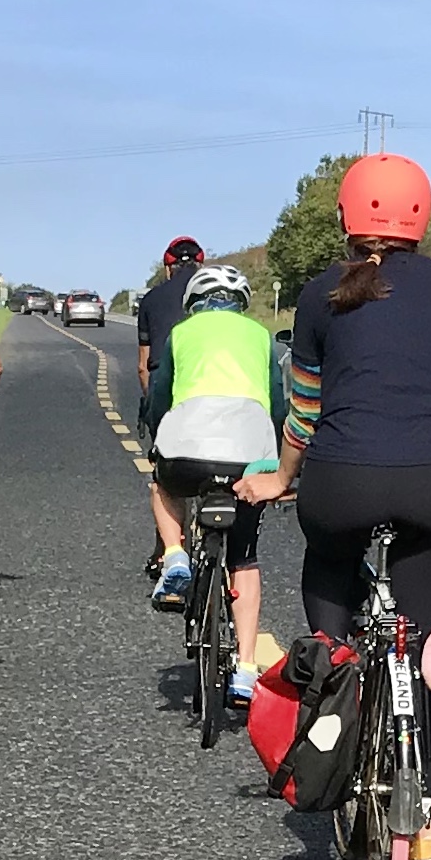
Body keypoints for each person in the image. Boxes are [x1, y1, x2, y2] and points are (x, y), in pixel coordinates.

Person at [237, 155, 431, 854]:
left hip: (342, 477)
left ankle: (335, 661)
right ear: (420, 217)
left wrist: (282, 478)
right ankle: (420, 813)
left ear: (346, 217)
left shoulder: (321, 294)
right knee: (425, 643)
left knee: (329, 564)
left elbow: (304, 414)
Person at [145, 261, 280, 703]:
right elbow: (279, 402)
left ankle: (175, 555)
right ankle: (245, 669)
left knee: (163, 484)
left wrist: (157, 432)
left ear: (193, 302)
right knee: (244, 557)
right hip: (250, 452)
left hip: (188, 446)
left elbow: (159, 395)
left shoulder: (181, 334)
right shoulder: (260, 336)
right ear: (241, 303)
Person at [134, 235, 207, 607]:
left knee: (166, 474)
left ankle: (167, 551)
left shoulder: (151, 299)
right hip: (210, 393)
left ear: (167, 267)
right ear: (200, 265)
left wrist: (153, 408)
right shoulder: (212, 302)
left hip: (169, 389)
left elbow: (144, 366)